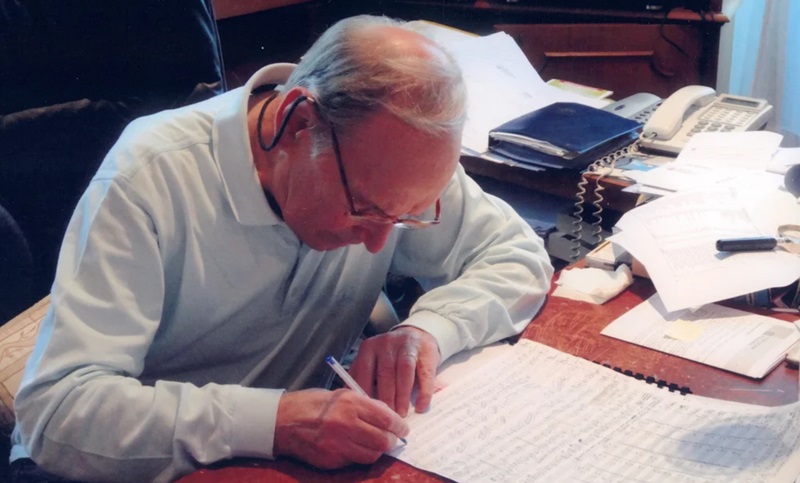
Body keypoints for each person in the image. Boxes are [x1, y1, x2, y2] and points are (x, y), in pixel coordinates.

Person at [10, 14, 553, 482]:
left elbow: (518, 254)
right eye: (364, 207)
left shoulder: (396, 160)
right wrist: (276, 422)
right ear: (296, 121)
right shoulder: (151, 175)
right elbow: (57, 416)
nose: (379, 242)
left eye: (407, 216)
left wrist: (428, 329)